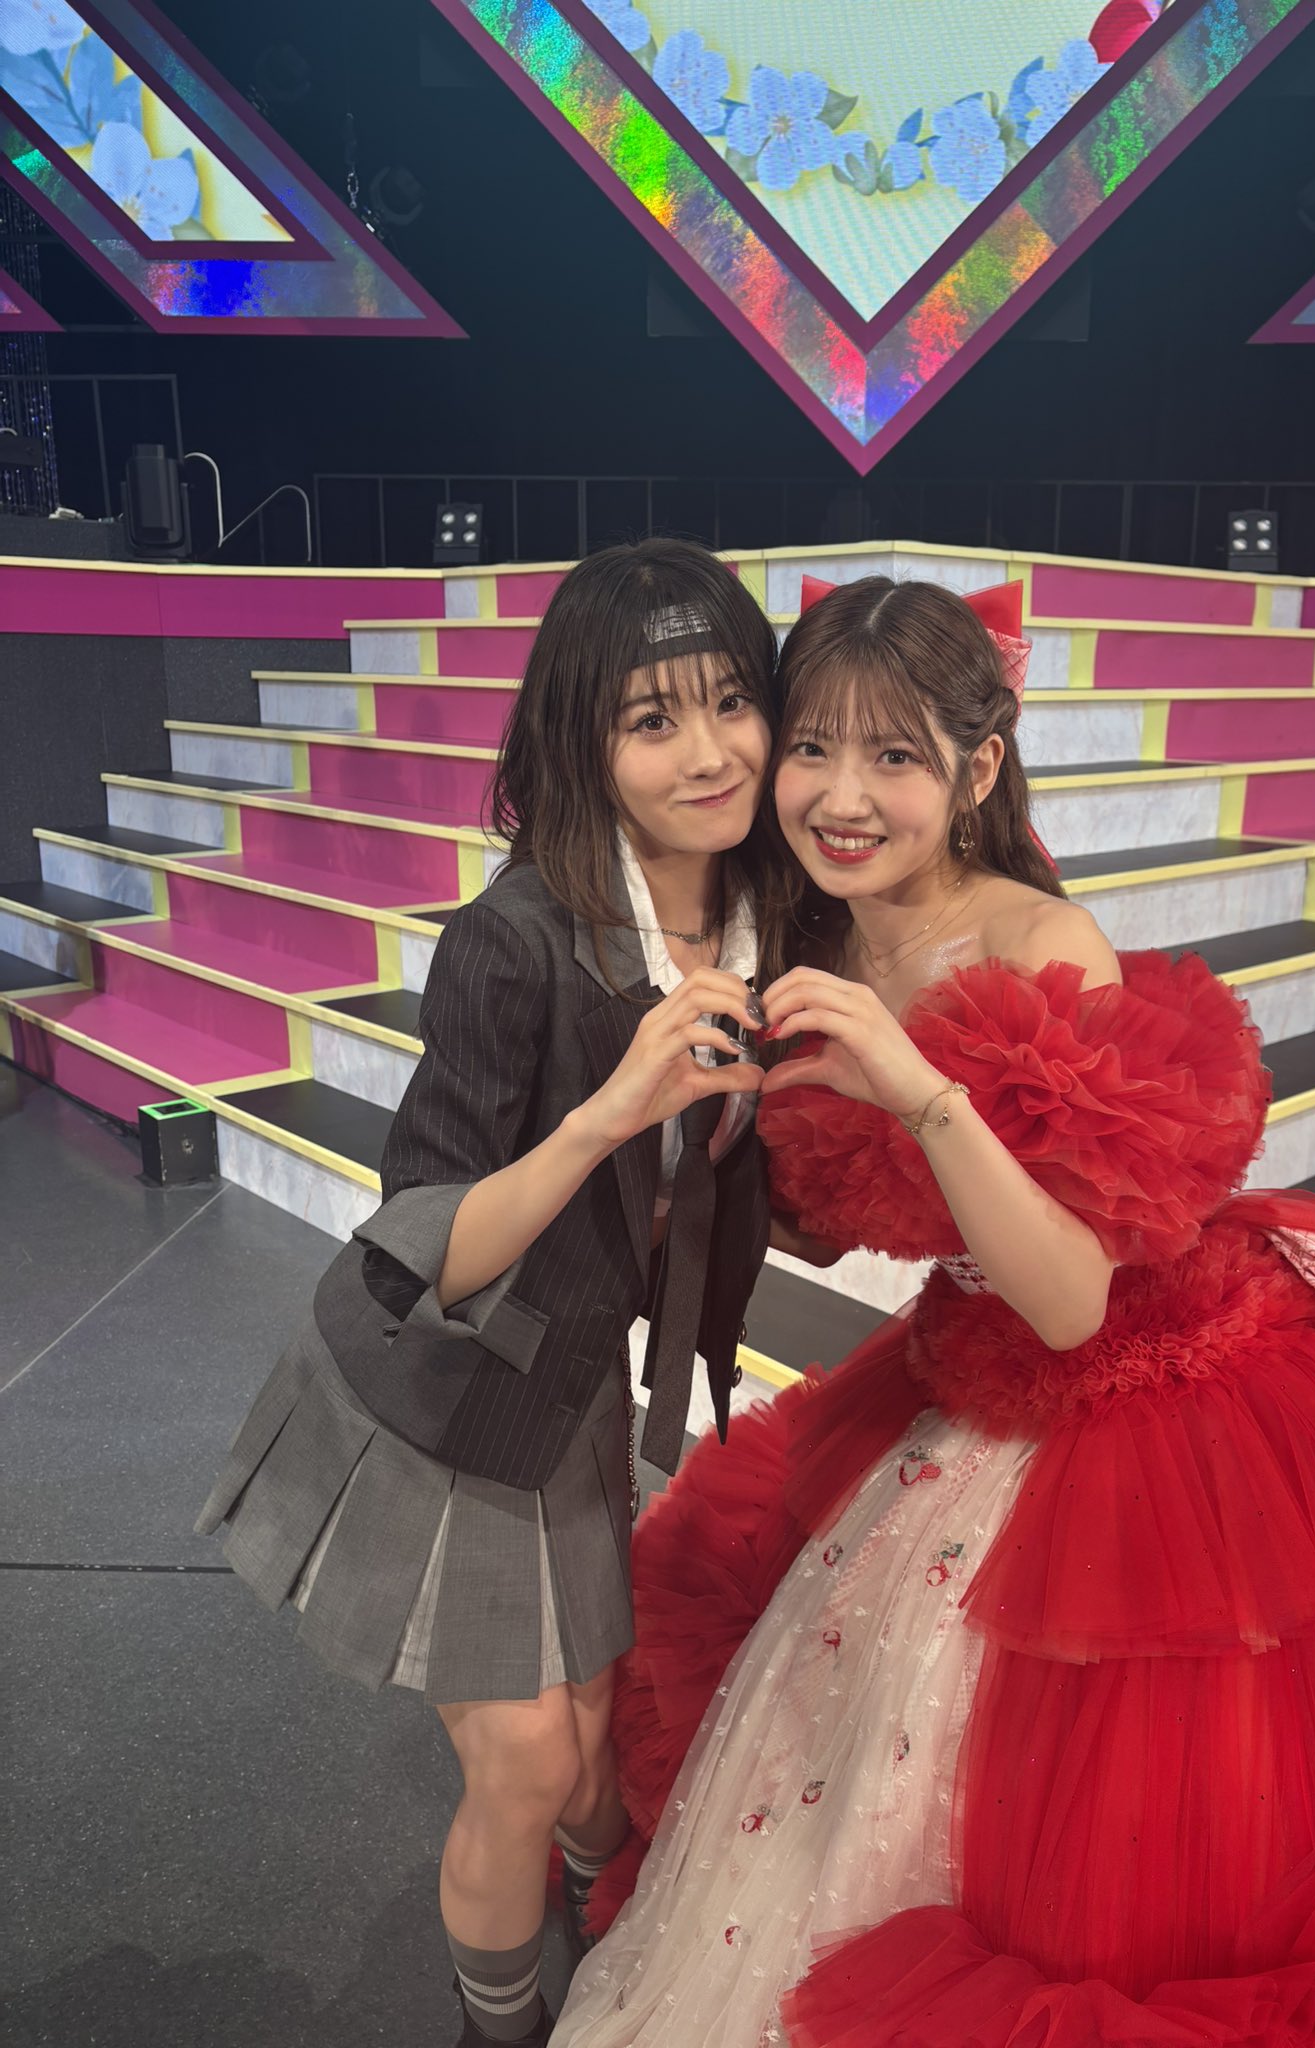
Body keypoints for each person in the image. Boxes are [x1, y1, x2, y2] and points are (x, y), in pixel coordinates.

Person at [553, 576, 1315, 2047]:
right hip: (967, 1368)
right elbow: (848, 1210)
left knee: (1145, 1818)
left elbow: (1074, 1300)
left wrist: (917, 1089)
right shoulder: (808, 937)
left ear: (979, 771)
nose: (840, 796)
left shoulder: (1042, 948)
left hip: (1146, 1382)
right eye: (813, 746)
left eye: (895, 756)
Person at [195, 537, 791, 2047]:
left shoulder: (764, 921)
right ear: (584, 744)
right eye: (653, 720)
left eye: (732, 702)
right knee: (527, 1764)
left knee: (590, 1757)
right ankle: (501, 2029)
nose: (709, 753)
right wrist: (606, 1112)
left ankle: (603, 1929)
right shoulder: (514, 941)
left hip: (572, 1387)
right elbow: (417, 1244)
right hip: (441, 1394)